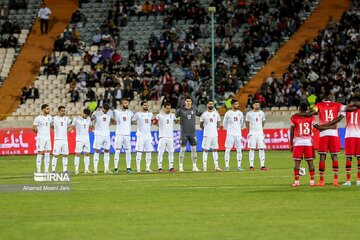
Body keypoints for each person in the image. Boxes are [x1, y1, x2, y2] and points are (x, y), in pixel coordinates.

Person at [290, 102, 335, 187]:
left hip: (298, 142)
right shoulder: (311, 117)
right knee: (310, 162)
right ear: (307, 108)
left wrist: (291, 144)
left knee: (297, 163)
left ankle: (296, 182)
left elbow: (292, 131)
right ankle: (312, 182)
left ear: (299, 108)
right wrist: (330, 126)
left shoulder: (294, 117)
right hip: (308, 143)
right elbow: (319, 128)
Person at [311, 94, 344, 186]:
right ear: (331, 99)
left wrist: (319, 125)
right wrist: (332, 125)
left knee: (322, 157)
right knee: (334, 156)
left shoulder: (319, 104)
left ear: (324, 99)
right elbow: (343, 112)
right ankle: (335, 180)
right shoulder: (337, 105)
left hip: (323, 134)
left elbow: (313, 111)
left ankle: (321, 180)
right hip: (333, 134)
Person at [176, 97, 200, 172]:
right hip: (184, 133)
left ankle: (194, 166)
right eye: (187, 101)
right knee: (182, 149)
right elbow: (174, 118)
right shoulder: (180, 110)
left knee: (194, 149)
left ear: (191, 102)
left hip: (192, 133)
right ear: (185, 102)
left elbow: (201, 115)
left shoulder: (194, 109)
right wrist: (176, 121)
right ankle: (180, 166)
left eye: (190, 101)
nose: (188, 102)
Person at [113, 98, 134, 174]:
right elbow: (110, 117)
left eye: (127, 103)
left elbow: (133, 121)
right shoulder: (116, 112)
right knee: (117, 151)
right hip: (119, 134)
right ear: (121, 104)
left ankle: (128, 167)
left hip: (127, 135)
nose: (127, 104)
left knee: (128, 151)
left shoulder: (130, 112)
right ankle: (116, 168)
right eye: (125, 103)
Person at [200, 100, 222, 171]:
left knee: (215, 149)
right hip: (207, 134)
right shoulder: (204, 114)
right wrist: (206, 129)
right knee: (206, 150)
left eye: (212, 104)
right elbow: (201, 125)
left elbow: (219, 123)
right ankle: (204, 166)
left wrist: (214, 129)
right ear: (207, 105)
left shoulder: (216, 114)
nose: (211, 105)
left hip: (214, 135)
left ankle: (216, 166)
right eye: (209, 104)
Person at [342, 97, 360, 186]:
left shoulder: (347, 108)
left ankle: (348, 181)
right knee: (359, 158)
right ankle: (358, 180)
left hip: (349, 135)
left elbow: (341, 113)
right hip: (359, 135)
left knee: (349, 158)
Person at [245, 100, 268, 171]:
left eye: (258, 105)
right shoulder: (249, 114)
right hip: (252, 133)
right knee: (252, 149)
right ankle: (251, 166)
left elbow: (263, 122)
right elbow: (246, 123)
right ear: (253, 105)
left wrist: (259, 129)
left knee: (261, 149)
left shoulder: (262, 113)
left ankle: (262, 165)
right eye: (255, 105)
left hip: (260, 133)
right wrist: (251, 130)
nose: (257, 106)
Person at [222, 99, 244, 171]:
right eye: (236, 104)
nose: (237, 105)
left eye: (238, 104)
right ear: (232, 105)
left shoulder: (240, 113)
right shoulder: (228, 113)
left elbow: (241, 123)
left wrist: (237, 129)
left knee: (239, 150)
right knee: (228, 150)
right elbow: (224, 124)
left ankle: (239, 166)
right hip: (230, 134)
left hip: (238, 134)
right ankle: (227, 166)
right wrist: (229, 129)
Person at [91, 103, 113, 174]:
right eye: (105, 110)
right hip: (98, 133)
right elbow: (91, 119)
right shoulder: (97, 112)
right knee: (97, 150)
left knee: (107, 150)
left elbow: (112, 120)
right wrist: (93, 113)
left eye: (107, 110)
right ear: (102, 107)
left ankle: (106, 168)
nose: (106, 111)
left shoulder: (110, 113)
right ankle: (95, 168)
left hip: (107, 133)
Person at [133, 101, 154, 173]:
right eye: (145, 105)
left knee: (149, 152)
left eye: (147, 105)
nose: (146, 106)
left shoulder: (150, 114)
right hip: (140, 135)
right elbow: (132, 121)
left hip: (148, 135)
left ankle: (147, 167)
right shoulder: (137, 114)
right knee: (139, 151)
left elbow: (152, 122)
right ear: (141, 106)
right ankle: (138, 168)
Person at [155, 103, 177, 173]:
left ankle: (171, 167)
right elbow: (154, 121)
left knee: (171, 152)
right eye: (167, 108)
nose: (168, 109)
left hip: (170, 137)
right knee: (161, 152)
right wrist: (159, 126)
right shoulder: (160, 115)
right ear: (164, 108)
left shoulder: (172, 115)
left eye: (169, 108)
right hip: (162, 137)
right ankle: (159, 167)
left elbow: (176, 121)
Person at [51, 106, 72, 173]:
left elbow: (72, 124)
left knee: (65, 155)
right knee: (55, 155)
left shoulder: (66, 118)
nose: (63, 112)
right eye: (62, 111)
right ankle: (53, 170)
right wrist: (55, 130)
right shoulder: (54, 118)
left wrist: (68, 130)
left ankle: (65, 170)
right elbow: (50, 125)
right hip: (57, 140)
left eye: (64, 111)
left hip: (65, 140)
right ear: (59, 111)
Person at [32, 104, 52, 173]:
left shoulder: (50, 117)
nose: (48, 110)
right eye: (47, 109)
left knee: (47, 153)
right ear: (43, 109)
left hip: (48, 138)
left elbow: (51, 125)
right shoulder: (38, 118)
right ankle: (39, 170)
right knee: (40, 152)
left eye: (49, 109)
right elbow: (34, 127)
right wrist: (39, 133)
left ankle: (46, 170)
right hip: (41, 138)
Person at [72, 108, 93, 174]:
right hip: (79, 139)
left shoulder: (89, 119)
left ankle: (86, 169)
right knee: (78, 154)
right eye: (86, 115)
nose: (87, 116)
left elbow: (91, 126)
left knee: (87, 154)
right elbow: (72, 126)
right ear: (83, 113)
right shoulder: (77, 118)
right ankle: (76, 169)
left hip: (86, 139)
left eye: (87, 115)